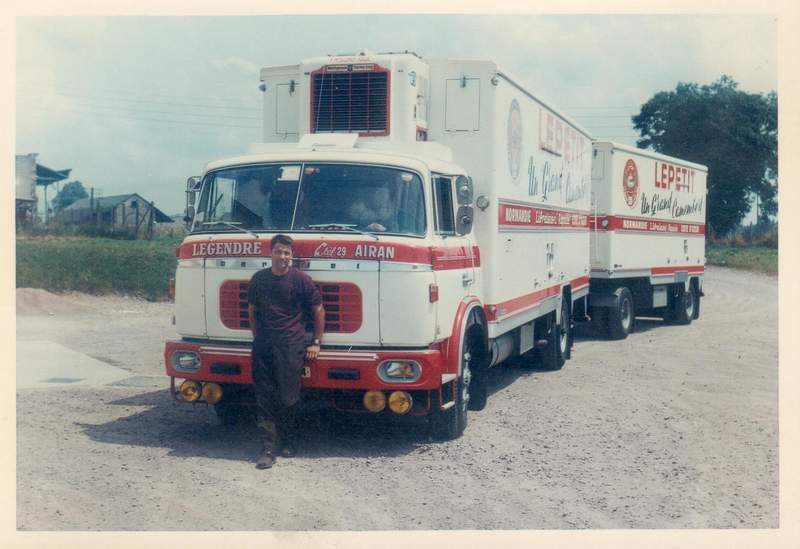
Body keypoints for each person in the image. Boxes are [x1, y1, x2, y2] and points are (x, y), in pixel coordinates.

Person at [247, 234, 325, 469]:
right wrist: (258, 337)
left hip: (291, 345)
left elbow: (318, 309)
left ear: (292, 256)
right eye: (278, 252)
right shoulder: (259, 279)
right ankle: (268, 449)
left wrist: (316, 342)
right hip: (263, 345)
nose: (282, 257)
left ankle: (287, 440)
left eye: (287, 253)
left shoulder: (301, 280)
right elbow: (252, 311)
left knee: (288, 398)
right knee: (264, 398)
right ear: (270, 253)